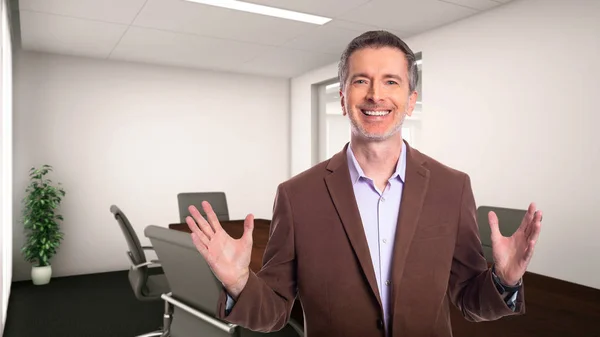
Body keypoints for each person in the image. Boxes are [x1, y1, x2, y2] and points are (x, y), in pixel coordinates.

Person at [185, 30, 543, 337]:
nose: (375, 95)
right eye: (361, 81)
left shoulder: (452, 188)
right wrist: (239, 283)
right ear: (343, 99)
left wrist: (504, 280)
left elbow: (468, 298)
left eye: (391, 81)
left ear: (411, 101)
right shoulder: (297, 196)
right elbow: (275, 312)